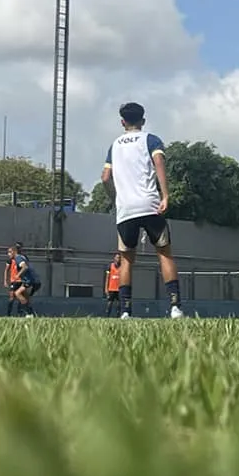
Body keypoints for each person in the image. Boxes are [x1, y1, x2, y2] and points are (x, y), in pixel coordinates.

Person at [100, 103, 181, 320]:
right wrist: (165, 195)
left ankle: (125, 311)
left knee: (127, 260)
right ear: (143, 121)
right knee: (164, 253)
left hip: (126, 209)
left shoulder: (114, 145)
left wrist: (115, 198)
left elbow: (105, 177)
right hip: (150, 204)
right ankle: (175, 307)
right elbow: (159, 163)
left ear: (122, 122)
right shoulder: (151, 139)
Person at [7, 242, 41, 315]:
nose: (8, 254)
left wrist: (18, 275)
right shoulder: (22, 257)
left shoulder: (18, 258)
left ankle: (29, 313)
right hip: (29, 279)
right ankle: (30, 312)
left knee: (17, 293)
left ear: (14, 252)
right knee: (25, 296)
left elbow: (25, 267)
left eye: (10, 252)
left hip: (29, 280)